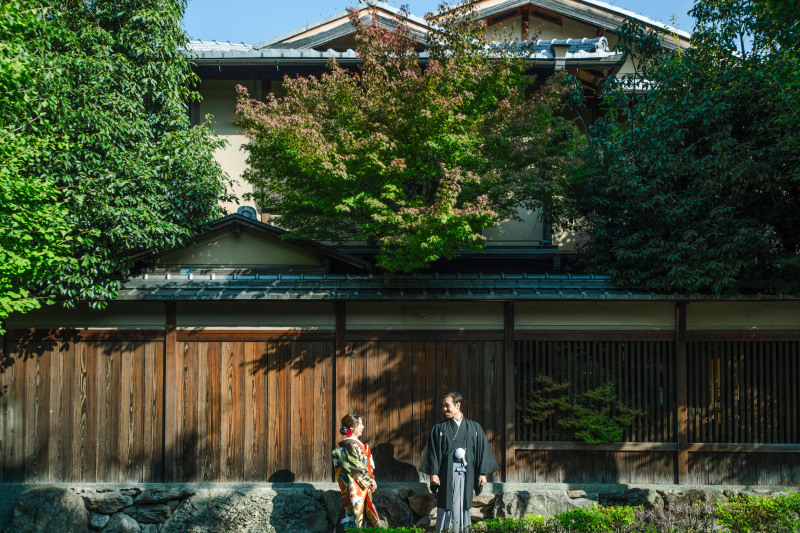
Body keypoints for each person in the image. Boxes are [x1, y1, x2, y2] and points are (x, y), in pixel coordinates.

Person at [419, 392, 499, 533]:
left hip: (467, 474)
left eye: (447, 406)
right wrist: (433, 473)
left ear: (458, 405)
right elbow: (432, 451)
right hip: (446, 474)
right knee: (446, 502)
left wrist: (482, 473)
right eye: (443, 406)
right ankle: (445, 530)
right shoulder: (439, 429)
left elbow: (482, 450)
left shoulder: (474, 428)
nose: (444, 409)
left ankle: (462, 530)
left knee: (464, 503)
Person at [332, 413, 380, 529]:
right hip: (357, 487)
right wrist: (371, 481)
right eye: (360, 424)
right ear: (352, 427)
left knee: (357, 519)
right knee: (355, 518)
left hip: (359, 487)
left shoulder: (353, 445)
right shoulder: (350, 445)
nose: (363, 427)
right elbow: (356, 468)